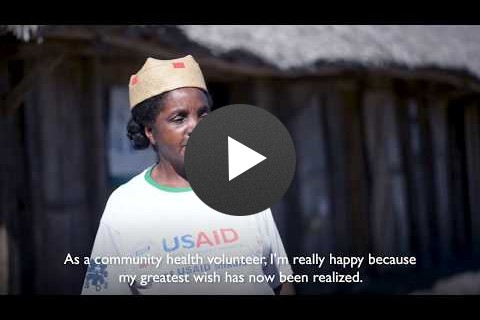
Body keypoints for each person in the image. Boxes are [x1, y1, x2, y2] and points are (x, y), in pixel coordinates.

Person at [82, 55, 295, 295]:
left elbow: (280, 282)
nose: (195, 127)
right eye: (179, 118)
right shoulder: (126, 206)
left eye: (203, 114)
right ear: (150, 131)